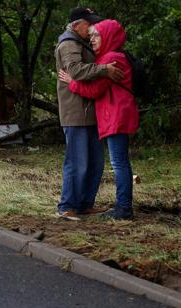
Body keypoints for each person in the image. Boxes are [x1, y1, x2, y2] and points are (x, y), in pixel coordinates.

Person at [59, 19, 139, 220]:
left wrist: (71, 82)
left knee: (119, 162)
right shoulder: (111, 56)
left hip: (116, 115)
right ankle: (122, 206)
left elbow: (95, 90)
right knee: (118, 161)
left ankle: (123, 208)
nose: (92, 39)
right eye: (91, 35)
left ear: (108, 36)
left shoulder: (112, 58)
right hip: (115, 115)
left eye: (96, 35)